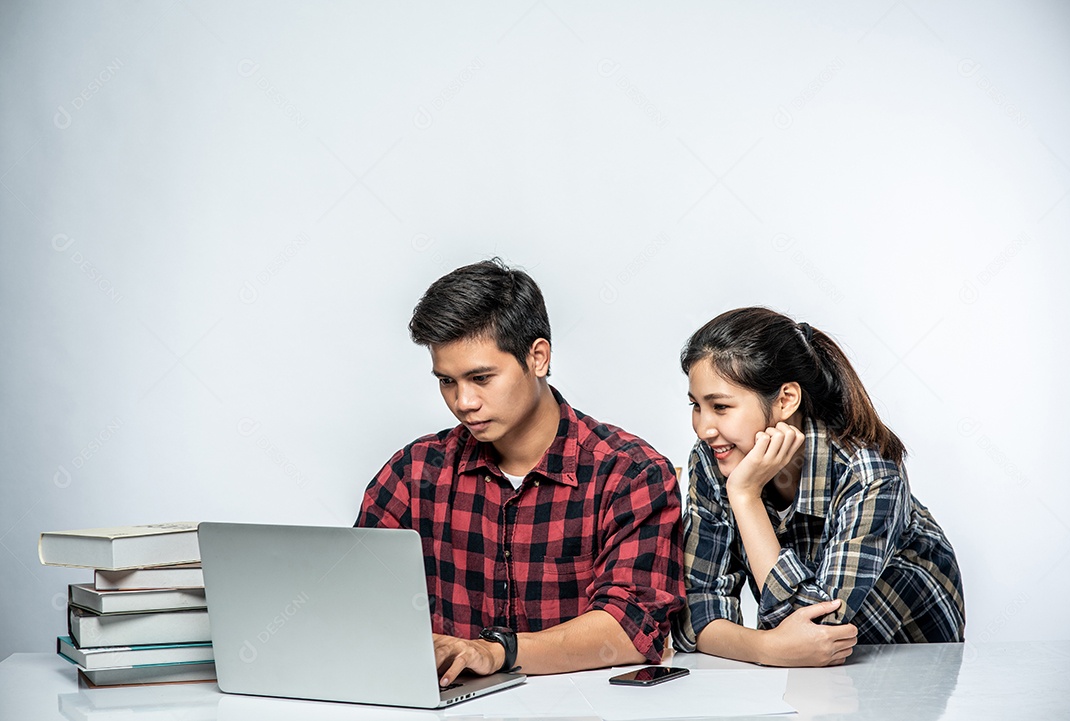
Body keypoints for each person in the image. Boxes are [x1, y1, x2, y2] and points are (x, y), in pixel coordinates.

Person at [356, 259, 685, 687]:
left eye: (481, 377)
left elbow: (632, 629)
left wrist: (496, 652)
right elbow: (356, 605)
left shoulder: (630, 473)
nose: (463, 402)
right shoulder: (413, 473)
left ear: (538, 357)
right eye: (447, 381)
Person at [674, 307, 964, 667]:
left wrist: (745, 497)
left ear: (785, 400)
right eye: (696, 406)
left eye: (720, 406)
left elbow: (819, 627)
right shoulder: (710, 460)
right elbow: (694, 618)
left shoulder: (868, 472)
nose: (703, 428)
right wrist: (765, 648)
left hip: (913, 666)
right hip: (815, 682)